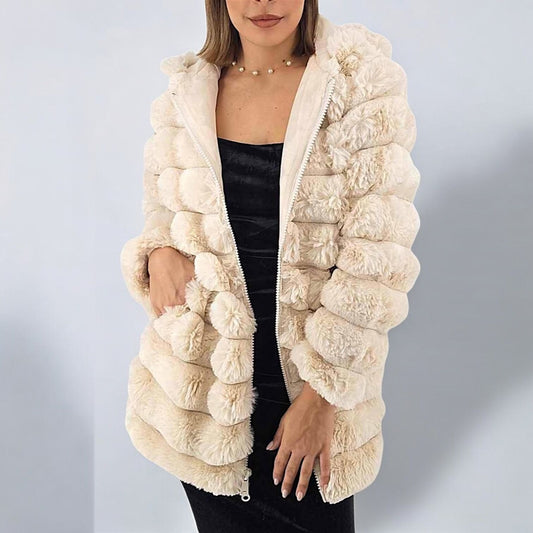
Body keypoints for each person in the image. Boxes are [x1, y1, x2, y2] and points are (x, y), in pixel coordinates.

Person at [120, 1, 421, 531]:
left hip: (310, 385)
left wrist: (321, 395)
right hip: (209, 399)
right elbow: (163, 209)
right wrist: (158, 252)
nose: (263, 3)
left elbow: (379, 257)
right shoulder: (186, 93)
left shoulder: (358, 84)